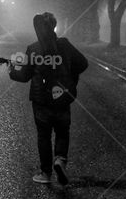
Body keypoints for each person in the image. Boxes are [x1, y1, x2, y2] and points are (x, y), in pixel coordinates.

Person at [8, 12, 88, 185]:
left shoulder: (33, 48)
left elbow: (24, 75)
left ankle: (45, 173)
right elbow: (83, 63)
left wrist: (12, 70)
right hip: (62, 97)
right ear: (54, 26)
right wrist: (69, 76)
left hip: (41, 101)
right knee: (62, 132)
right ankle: (60, 160)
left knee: (43, 136)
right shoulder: (65, 45)